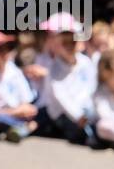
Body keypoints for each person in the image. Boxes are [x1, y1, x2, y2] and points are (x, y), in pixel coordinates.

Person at [27, 14, 98, 145]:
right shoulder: (54, 68)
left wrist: (88, 109)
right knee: (77, 131)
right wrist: (78, 116)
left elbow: (92, 88)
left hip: (85, 108)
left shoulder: (86, 63)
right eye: (65, 43)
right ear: (57, 44)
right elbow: (61, 97)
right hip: (63, 113)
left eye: (73, 41)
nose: (69, 46)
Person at [0, 28, 38, 139]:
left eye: (7, 48)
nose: (5, 52)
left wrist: (24, 108)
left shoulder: (14, 71)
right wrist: (13, 112)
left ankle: (18, 129)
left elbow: (26, 99)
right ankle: (19, 129)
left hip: (18, 114)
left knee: (36, 114)